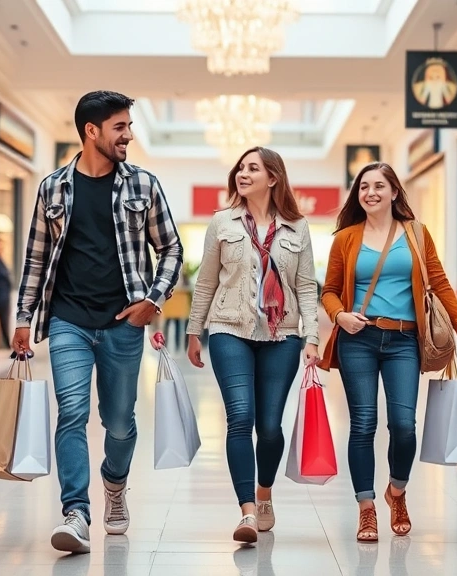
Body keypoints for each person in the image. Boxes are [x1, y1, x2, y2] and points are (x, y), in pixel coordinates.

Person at [12, 90, 183, 554]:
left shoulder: (143, 185)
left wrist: (153, 299)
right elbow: (36, 258)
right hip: (67, 319)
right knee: (71, 412)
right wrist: (24, 317)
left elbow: (171, 248)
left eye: (129, 126)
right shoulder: (53, 188)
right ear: (92, 131)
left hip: (123, 323)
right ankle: (76, 512)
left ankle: (114, 483)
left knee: (120, 422)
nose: (129, 134)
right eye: (120, 127)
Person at [319, 162, 457, 542]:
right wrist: (340, 315)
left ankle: (397, 491)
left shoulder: (416, 234)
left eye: (378, 186)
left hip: (404, 341)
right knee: (362, 424)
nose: (370, 193)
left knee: (404, 427)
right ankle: (366, 508)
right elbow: (327, 289)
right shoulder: (346, 238)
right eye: (363, 187)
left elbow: (439, 286)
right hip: (358, 338)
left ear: (394, 192)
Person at [185, 146, 320, 544]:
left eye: (253, 168)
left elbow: (307, 286)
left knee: (270, 426)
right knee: (240, 417)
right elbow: (206, 280)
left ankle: (264, 492)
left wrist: (311, 338)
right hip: (229, 328)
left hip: (282, 335)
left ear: (273, 178)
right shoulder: (221, 222)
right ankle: (246, 510)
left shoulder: (298, 227)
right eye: (240, 168)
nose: (242, 174)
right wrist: (195, 331)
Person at [0, 239, 12, 349]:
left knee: (4, 322)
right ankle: (6, 344)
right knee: (3, 321)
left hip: (3, 296)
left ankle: (6, 344)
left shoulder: (0, 260)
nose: (1, 249)